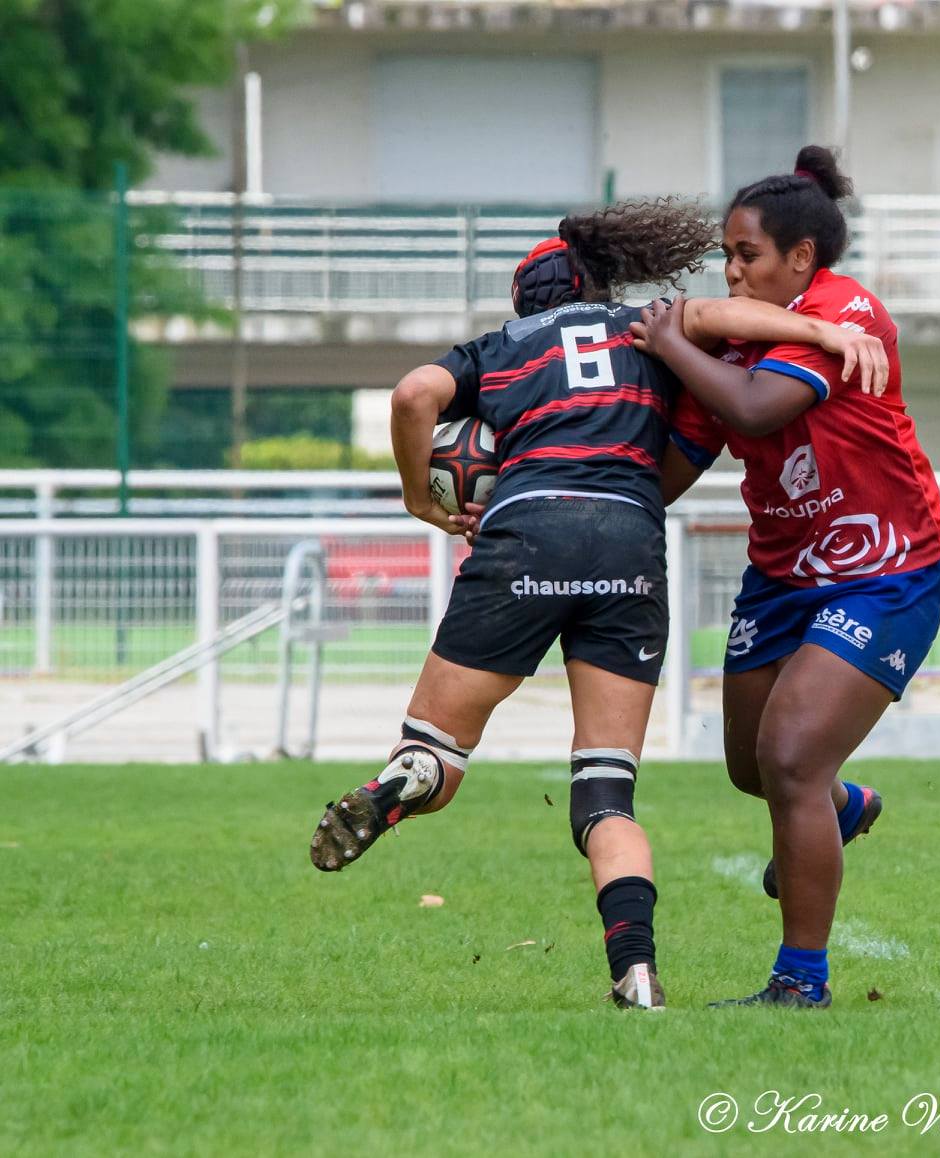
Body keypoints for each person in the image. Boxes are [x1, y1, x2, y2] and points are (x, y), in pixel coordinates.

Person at [305, 199, 890, 1012]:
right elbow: (723, 316)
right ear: (598, 281)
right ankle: (636, 973)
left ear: (524, 302)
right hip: (627, 544)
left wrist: (418, 497)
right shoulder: (640, 325)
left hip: (524, 533)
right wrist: (823, 331)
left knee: (437, 750)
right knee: (606, 792)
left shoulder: (501, 347)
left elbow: (412, 396)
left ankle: (412, 773)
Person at [638, 145, 940, 1008]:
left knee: (790, 758)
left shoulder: (845, 311)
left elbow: (755, 407)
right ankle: (841, 808)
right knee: (752, 767)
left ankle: (800, 982)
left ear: (802, 257)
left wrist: (675, 341)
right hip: (780, 577)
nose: (732, 272)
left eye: (748, 255)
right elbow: (674, 467)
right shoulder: (734, 339)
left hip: (885, 570)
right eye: (726, 256)